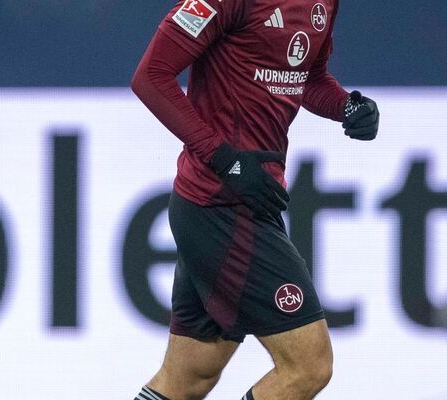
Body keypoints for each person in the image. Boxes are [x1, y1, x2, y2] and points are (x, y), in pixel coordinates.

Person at [129, 0, 379, 399]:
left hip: (246, 202)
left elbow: (307, 77)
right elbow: (151, 76)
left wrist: (347, 106)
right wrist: (224, 159)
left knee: (191, 375)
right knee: (308, 365)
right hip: (218, 205)